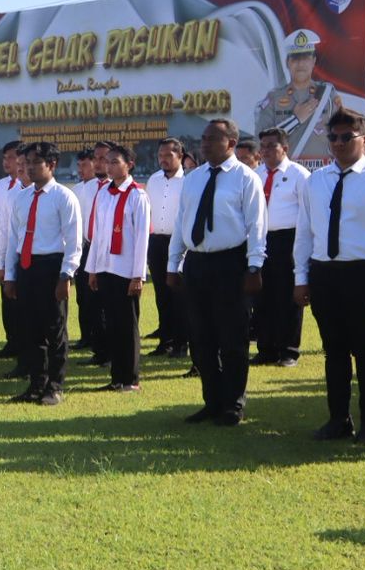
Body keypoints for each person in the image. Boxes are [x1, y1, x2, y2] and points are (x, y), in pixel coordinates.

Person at [292, 109, 365, 445]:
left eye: (346, 137)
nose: (338, 143)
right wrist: (301, 277)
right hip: (325, 273)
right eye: (333, 137)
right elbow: (305, 233)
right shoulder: (316, 181)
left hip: (362, 273)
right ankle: (338, 419)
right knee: (333, 351)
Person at [168, 119, 266, 427]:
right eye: (204, 138)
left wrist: (254, 266)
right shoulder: (194, 179)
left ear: (231, 144)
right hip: (197, 263)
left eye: (213, 139)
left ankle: (233, 404)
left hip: (231, 264)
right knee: (201, 337)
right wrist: (174, 264)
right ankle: (211, 401)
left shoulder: (245, 179)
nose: (205, 143)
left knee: (232, 338)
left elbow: (256, 226)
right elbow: (181, 222)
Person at [2, 143, 79, 403]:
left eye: (36, 162)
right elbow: (14, 239)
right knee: (30, 330)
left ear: (52, 165)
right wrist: (11, 276)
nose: (30, 167)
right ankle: (36, 384)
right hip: (26, 267)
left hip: (52, 267)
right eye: (28, 162)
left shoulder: (63, 197)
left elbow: (73, 241)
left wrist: (65, 276)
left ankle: (55, 387)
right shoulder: (21, 198)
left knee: (54, 330)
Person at [86, 143, 149, 393]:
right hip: (105, 268)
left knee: (127, 324)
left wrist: (138, 275)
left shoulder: (137, 195)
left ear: (129, 164)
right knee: (111, 324)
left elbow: (142, 237)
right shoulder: (103, 193)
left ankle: (130, 378)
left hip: (126, 270)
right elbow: (98, 234)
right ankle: (116, 377)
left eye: (115, 161)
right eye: (107, 161)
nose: (109, 166)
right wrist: (92, 269)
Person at [255, 127, 311, 367]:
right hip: (260, 239)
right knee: (262, 295)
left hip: (289, 240)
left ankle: (288, 350)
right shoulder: (255, 175)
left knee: (288, 296)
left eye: (271, 146)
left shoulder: (299, 175)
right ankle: (266, 349)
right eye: (263, 146)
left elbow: (308, 213)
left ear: (284, 148)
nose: (265, 151)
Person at [256, 29, 341, 163]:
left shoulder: (327, 94)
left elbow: (341, 132)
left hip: (321, 171)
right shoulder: (273, 98)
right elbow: (260, 140)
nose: (300, 64)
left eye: (306, 58)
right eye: (295, 58)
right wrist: (296, 119)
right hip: (287, 173)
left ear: (313, 61)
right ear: (288, 63)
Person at [144, 138, 187, 358]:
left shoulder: (188, 181)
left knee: (179, 294)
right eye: (160, 155)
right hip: (156, 242)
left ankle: (181, 342)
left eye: (168, 155)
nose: (163, 159)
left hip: (179, 243)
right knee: (161, 294)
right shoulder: (154, 180)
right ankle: (166, 341)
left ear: (180, 156)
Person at [72, 145, 109, 357]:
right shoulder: (76, 190)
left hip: (100, 247)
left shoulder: (102, 186)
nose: (82, 169)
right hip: (84, 247)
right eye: (80, 165)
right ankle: (86, 336)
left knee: (97, 298)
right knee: (82, 296)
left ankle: (99, 341)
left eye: (85, 164)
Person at [0, 140, 25, 362]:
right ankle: (11, 342)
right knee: (7, 300)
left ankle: (24, 344)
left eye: (11, 157)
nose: (7, 162)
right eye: (4, 158)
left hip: (24, 252)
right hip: (5, 250)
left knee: (23, 303)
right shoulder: (2, 186)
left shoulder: (28, 187)